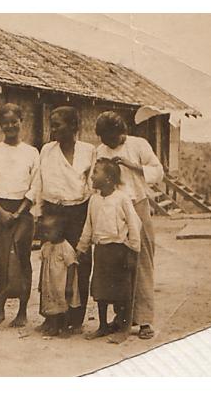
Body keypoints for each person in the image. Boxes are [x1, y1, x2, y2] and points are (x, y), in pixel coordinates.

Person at [95, 111, 163, 340]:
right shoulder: (101, 150)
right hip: (114, 210)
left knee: (142, 261)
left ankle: (144, 320)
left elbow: (157, 171)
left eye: (112, 138)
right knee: (118, 265)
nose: (109, 143)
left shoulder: (138, 144)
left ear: (121, 131)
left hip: (138, 205)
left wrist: (131, 165)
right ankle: (123, 317)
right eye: (105, 139)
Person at [39, 106, 95, 333]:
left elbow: (91, 186)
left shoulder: (88, 151)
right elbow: (39, 183)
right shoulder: (47, 151)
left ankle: (75, 318)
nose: (53, 130)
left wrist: (88, 218)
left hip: (78, 212)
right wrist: (40, 215)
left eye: (58, 125)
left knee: (78, 263)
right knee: (52, 265)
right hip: (53, 211)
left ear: (74, 126)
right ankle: (52, 316)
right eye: (51, 125)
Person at [0, 103, 40, 327]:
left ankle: (22, 311)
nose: (10, 126)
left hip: (23, 212)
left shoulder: (31, 152)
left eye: (13, 121)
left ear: (21, 121)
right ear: (0, 125)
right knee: (0, 260)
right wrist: (0, 210)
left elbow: (36, 184)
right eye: (5, 122)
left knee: (22, 259)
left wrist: (18, 212)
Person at [76, 158, 141, 344]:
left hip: (119, 250)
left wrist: (133, 249)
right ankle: (103, 325)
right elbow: (88, 226)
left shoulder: (122, 199)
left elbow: (134, 224)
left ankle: (123, 328)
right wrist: (82, 247)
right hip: (101, 251)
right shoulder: (94, 200)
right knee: (100, 290)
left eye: (96, 172)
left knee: (121, 292)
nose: (92, 176)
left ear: (109, 179)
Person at [37, 214, 80, 337]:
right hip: (50, 282)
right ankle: (54, 326)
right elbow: (43, 264)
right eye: (44, 232)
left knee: (64, 305)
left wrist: (69, 285)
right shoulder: (46, 246)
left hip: (62, 282)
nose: (45, 235)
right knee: (53, 305)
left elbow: (72, 265)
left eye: (48, 232)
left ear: (60, 231)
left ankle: (65, 327)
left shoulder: (65, 247)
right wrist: (41, 282)